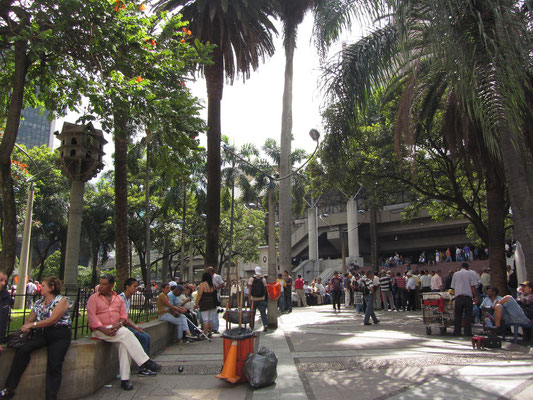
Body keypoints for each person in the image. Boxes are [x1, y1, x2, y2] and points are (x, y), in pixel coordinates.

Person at [0, 277, 71, 400]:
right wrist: (27, 326)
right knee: (23, 350)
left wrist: (32, 325)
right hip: (43, 333)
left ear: (52, 288)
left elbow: (52, 320)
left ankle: (51, 396)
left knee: (54, 364)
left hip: (60, 334)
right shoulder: (38, 303)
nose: (40, 288)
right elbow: (30, 319)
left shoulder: (62, 301)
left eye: (43, 286)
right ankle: (9, 388)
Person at [87, 275, 160, 391]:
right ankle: (145, 361)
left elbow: (123, 317)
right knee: (126, 334)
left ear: (111, 286)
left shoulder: (118, 299)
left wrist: (119, 324)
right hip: (100, 330)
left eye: (104, 284)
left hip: (117, 329)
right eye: (100, 284)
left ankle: (125, 379)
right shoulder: (93, 298)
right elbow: (92, 318)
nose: (101, 286)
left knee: (124, 346)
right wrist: (103, 329)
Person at [119, 278, 152, 360]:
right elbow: (124, 317)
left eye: (137, 286)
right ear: (127, 287)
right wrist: (134, 327)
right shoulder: (121, 298)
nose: (136, 288)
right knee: (143, 338)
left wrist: (136, 327)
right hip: (121, 326)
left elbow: (127, 316)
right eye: (134, 286)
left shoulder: (128, 298)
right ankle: (143, 365)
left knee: (147, 337)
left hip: (126, 324)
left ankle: (147, 360)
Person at [451, 263, 478, 336]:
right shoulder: (470, 273)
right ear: (468, 268)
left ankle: (457, 332)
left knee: (458, 315)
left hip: (458, 297)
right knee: (468, 316)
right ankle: (467, 332)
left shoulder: (455, 274)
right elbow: (473, 286)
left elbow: (453, 286)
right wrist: (475, 296)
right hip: (467, 297)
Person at [195, 272, 217, 337]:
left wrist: (196, 303)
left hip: (204, 303)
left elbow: (199, 295)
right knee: (210, 319)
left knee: (205, 319)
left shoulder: (202, 285)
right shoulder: (213, 284)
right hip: (212, 302)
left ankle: (205, 334)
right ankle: (210, 333)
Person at [248, 266, 268, 332]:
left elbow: (250, 288)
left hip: (253, 299)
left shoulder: (251, 279)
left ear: (255, 271)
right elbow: (265, 288)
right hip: (261, 299)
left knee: (252, 313)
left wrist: (249, 297)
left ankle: (251, 326)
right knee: (263, 313)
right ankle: (265, 325)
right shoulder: (263, 279)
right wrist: (264, 296)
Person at [206, 266, 225, 334]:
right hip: (209, 296)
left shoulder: (217, 277)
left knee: (215, 312)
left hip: (216, 296)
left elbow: (223, 284)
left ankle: (215, 328)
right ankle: (210, 327)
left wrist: (215, 288)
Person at [0, 272, 9, 343]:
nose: (3, 283)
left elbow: (3, 320)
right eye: (1, 280)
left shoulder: (5, 295)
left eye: (5, 281)